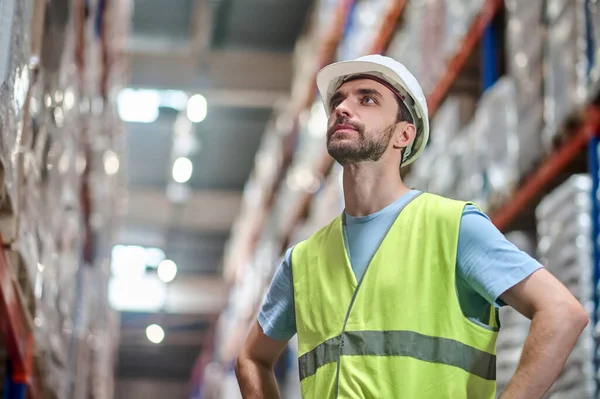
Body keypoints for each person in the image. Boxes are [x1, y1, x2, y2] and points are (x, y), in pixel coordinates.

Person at [234, 55, 588, 399]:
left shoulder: (452, 228)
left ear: (404, 134)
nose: (342, 108)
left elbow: (562, 313)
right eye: (338, 101)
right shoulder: (302, 262)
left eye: (367, 99)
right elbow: (251, 358)